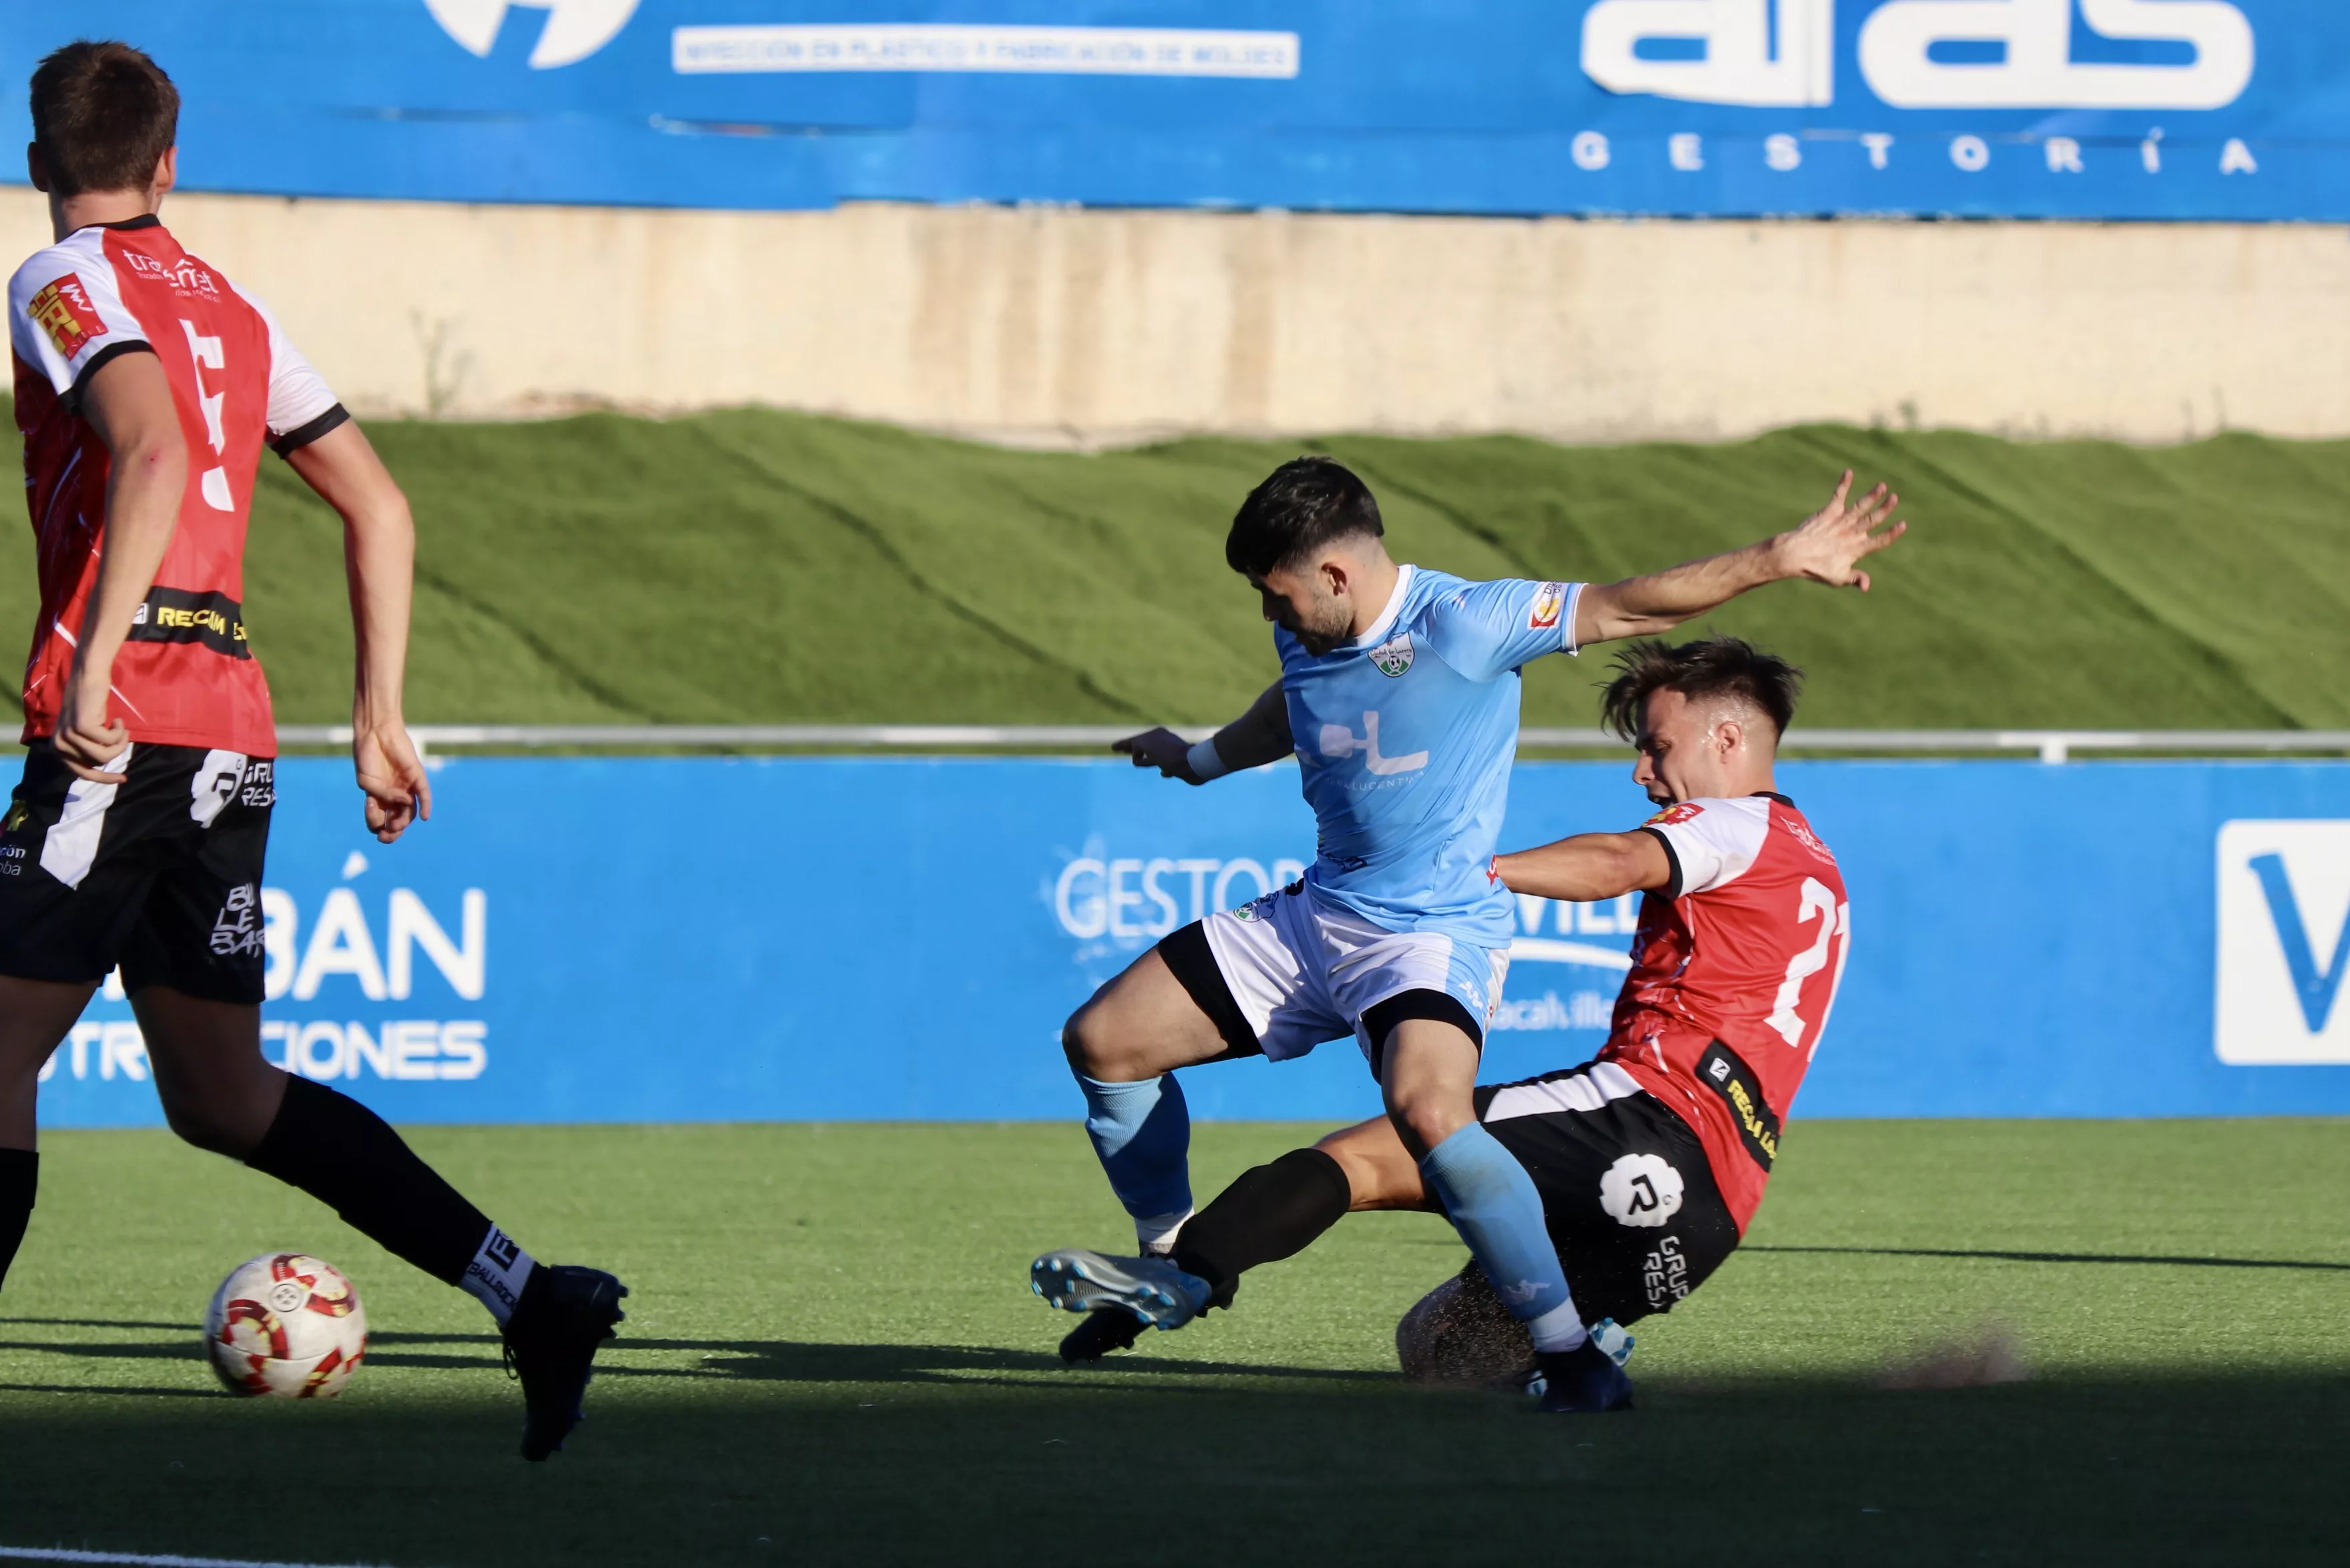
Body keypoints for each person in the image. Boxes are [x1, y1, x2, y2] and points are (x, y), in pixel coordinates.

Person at [0, 41, 623, 1459]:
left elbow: (150, 451)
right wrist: (379, 711)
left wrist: (94, 660)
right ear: (170, 163)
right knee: (222, 1092)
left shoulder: (58, 280)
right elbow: (379, 504)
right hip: (229, 730)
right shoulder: (231, 306)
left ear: (39, 166)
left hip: (128, 724)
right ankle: (533, 1296)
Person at [1031, 452, 1899, 1393]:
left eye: (1277, 596)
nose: (1270, 616)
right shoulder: (1308, 636)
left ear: (1336, 574)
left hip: (1430, 931)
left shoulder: (1466, 620)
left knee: (1428, 1113)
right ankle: (1169, 1254)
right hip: (1322, 911)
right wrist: (1201, 759)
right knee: (1104, 1039)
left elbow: (1633, 605)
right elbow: (1300, 709)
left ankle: (1568, 1354)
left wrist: (1779, 555)